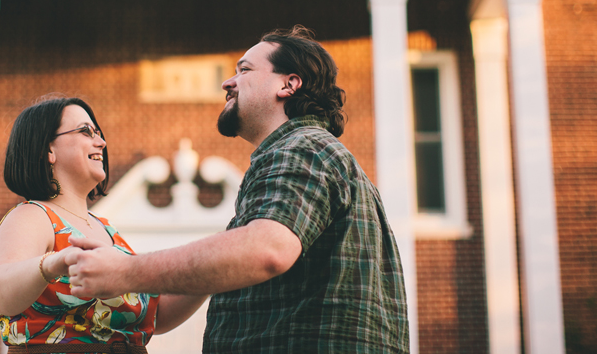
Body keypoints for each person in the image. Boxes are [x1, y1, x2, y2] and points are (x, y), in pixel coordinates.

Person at [65, 27, 410, 353]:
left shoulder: (301, 148)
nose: (227, 83)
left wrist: (124, 272)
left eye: (244, 70)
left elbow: (268, 249)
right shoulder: (315, 154)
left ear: (288, 84)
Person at [0, 96, 205, 353]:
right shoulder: (33, 215)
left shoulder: (107, 229)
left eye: (98, 133)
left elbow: (156, 316)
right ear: (48, 150)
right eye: (85, 131)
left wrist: (209, 272)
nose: (101, 142)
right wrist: (53, 263)